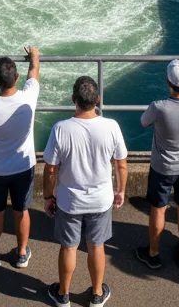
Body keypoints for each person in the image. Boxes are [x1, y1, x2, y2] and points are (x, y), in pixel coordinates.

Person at [42, 76, 128, 307]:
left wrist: (48, 196)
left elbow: (50, 169)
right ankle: (97, 294)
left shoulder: (61, 129)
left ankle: (63, 294)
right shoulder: (111, 127)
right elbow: (121, 164)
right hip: (101, 200)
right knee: (96, 246)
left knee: (69, 246)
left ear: (74, 99)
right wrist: (120, 190)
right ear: (97, 99)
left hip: (69, 200)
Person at [0, 46, 41, 270]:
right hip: (24, 166)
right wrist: (34, 56)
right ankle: (22, 253)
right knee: (21, 210)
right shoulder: (29, 98)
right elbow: (34, 73)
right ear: (17, 77)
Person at [137, 58, 179, 269]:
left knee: (158, 209)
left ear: (168, 81)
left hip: (162, 167)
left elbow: (143, 122)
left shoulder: (159, 107)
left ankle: (153, 254)